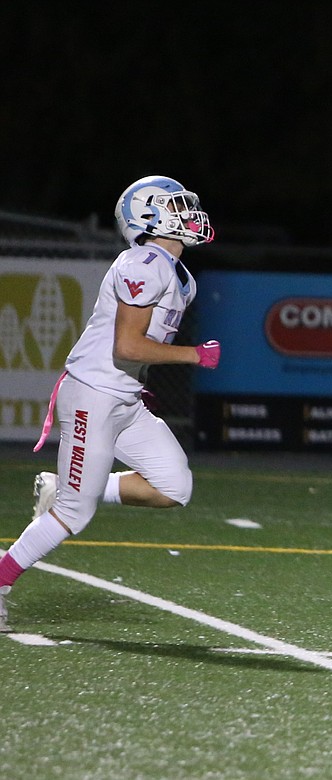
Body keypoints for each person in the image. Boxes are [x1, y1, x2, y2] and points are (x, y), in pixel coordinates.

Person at [0, 175, 220, 632]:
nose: (188, 213)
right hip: (94, 395)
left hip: (124, 400)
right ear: (149, 215)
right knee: (73, 515)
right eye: (177, 205)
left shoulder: (181, 278)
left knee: (174, 486)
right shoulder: (144, 262)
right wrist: (195, 355)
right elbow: (128, 348)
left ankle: (67, 485)